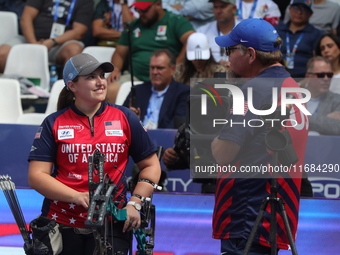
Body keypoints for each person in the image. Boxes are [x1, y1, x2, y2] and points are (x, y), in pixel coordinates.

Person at [27, 53, 161, 255]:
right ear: (72, 86)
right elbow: (37, 176)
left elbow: (151, 166)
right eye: (91, 77)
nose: (100, 82)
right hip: (62, 222)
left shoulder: (125, 117)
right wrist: (75, 196)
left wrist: (135, 203)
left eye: (102, 75)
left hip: (113, 221)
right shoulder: (53, 122)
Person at [211, 18, 309, 254]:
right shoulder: (290, 84)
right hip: (272, 218)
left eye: (230, 50)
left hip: (245, 215)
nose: (227, 57)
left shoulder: (254, 91)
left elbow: (223, 154)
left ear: (251, 54)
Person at [106, 0, 195, 85]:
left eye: (144, 10)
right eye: (138, 9)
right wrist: (115, 69)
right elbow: (120, 53)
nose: (141, 13)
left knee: (197, 92)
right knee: (109, 89)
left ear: (158, 4)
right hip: (135, 77)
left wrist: (177, 64)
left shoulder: (175, 21)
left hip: (169, 78)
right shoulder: (133, 25)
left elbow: (192, 39)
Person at [0, 0, 93, 73]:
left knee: (74, 51)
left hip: (59, 45)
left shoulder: (85, 1)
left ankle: (66, 92)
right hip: (29, 39)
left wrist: (52, 42)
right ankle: (12, 85)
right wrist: (33, 44)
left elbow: (79, 32)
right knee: (2, 54)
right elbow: (26, 18)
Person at [123, 48, 190, 129]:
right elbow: (120, 118)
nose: (154, 72)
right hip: (138, 138)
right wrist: (129, 117)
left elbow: (178, 126)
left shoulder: (183, 92)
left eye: (160, 68)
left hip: (165, 139)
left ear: (172, 69)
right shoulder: (138, 91)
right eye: (152, 67)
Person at [275, 0, 323, 80]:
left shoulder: (317, 34)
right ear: (289, 9)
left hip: (304, 78)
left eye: (304, 9)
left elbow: (317, 61)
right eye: (296, 7)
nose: (299, 12)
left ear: (310, 14)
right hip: (276, 76)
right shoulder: (276, 31)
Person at [304, 56, 340, 135]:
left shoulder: (337, 100)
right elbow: (285, 122)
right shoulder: (293, 98)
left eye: (329, 75)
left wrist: (302, 118)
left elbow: (338, 127)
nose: (326, 79)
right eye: (321, 75)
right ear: (308, 77)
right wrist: (325, 118)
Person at [197, 0, 238, 65]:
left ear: (234, 9)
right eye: (215, 7)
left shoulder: (245, 31)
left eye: (223, 7)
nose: (218, 11)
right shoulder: (202, 32)